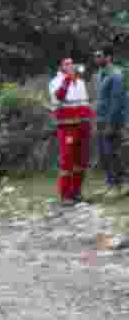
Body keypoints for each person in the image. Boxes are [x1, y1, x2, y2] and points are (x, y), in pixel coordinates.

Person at [48, 57, 94, 205]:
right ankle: (65, 196)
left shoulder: (80, 82)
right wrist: (67, 79)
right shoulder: (55, 82)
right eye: (67, 64)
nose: (71, 66)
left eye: (72, 64)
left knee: (81, 160)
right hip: (67, 127)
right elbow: (59, 97)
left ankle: (76, 193)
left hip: (82, 126)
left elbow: (85, 103)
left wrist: (90, 121)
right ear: (61, 67)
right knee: (67, 160)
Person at [93, 45, 126, 198]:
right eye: (96, 56)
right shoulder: (100, 74)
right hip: (99, 120)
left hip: (111, 121)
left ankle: (119, 185)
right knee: (104, 154)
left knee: (112, 152)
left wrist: (111, 124)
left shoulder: (116, 75)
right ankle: (110, 183)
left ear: (108, 57)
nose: (96, 58)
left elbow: (116, 101)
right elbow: (100, 99)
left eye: (99, 55)